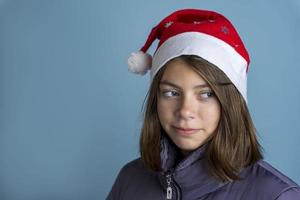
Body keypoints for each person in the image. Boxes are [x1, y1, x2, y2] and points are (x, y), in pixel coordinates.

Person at [106, 9, 300, 200]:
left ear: (231, 101)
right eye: (171, 93)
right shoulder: (129, 179)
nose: (185, 111)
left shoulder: (276, 195)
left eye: (206, 94)